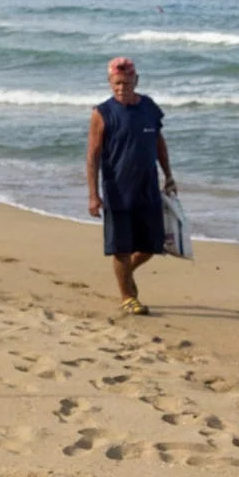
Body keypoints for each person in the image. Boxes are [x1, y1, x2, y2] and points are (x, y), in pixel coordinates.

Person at [86, 56, 176, 315]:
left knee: (152, 246)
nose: (121, 88)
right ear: (109, 82)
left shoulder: (149, 107)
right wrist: (94, 195)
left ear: (136, 80)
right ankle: (128, 296)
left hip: (148, 188)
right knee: (121, 248)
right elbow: (92, 155)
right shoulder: (102, 113)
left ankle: (124, 272)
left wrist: (169, 175)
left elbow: (159, 143)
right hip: (117, 192)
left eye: (126, 82)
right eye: (116, 83)